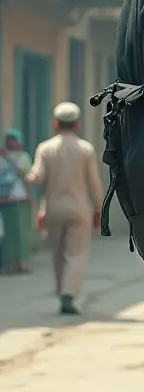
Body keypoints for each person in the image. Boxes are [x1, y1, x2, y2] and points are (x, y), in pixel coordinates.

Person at [26, 103, 103, 314]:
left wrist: (23, 172)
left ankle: (62, 291)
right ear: (77, 124)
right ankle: (69, 293)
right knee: (75, 254)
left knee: (58, 253)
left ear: (55, 124)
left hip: (53, 208)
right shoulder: (85, 149)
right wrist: (98, 208)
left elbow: (36, 176)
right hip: (79, 209)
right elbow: (93, 183)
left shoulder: (45, 148)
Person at [0, 127, 35, 274]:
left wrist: (29, 196)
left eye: (14, 139)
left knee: (22, 234)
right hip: (5, 200)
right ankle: (9, 263)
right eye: (9, 139)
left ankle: (22, 263)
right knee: (7, 234)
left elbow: (25, 176)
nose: (11, 142)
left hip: (20, 199)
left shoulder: (23, 157)